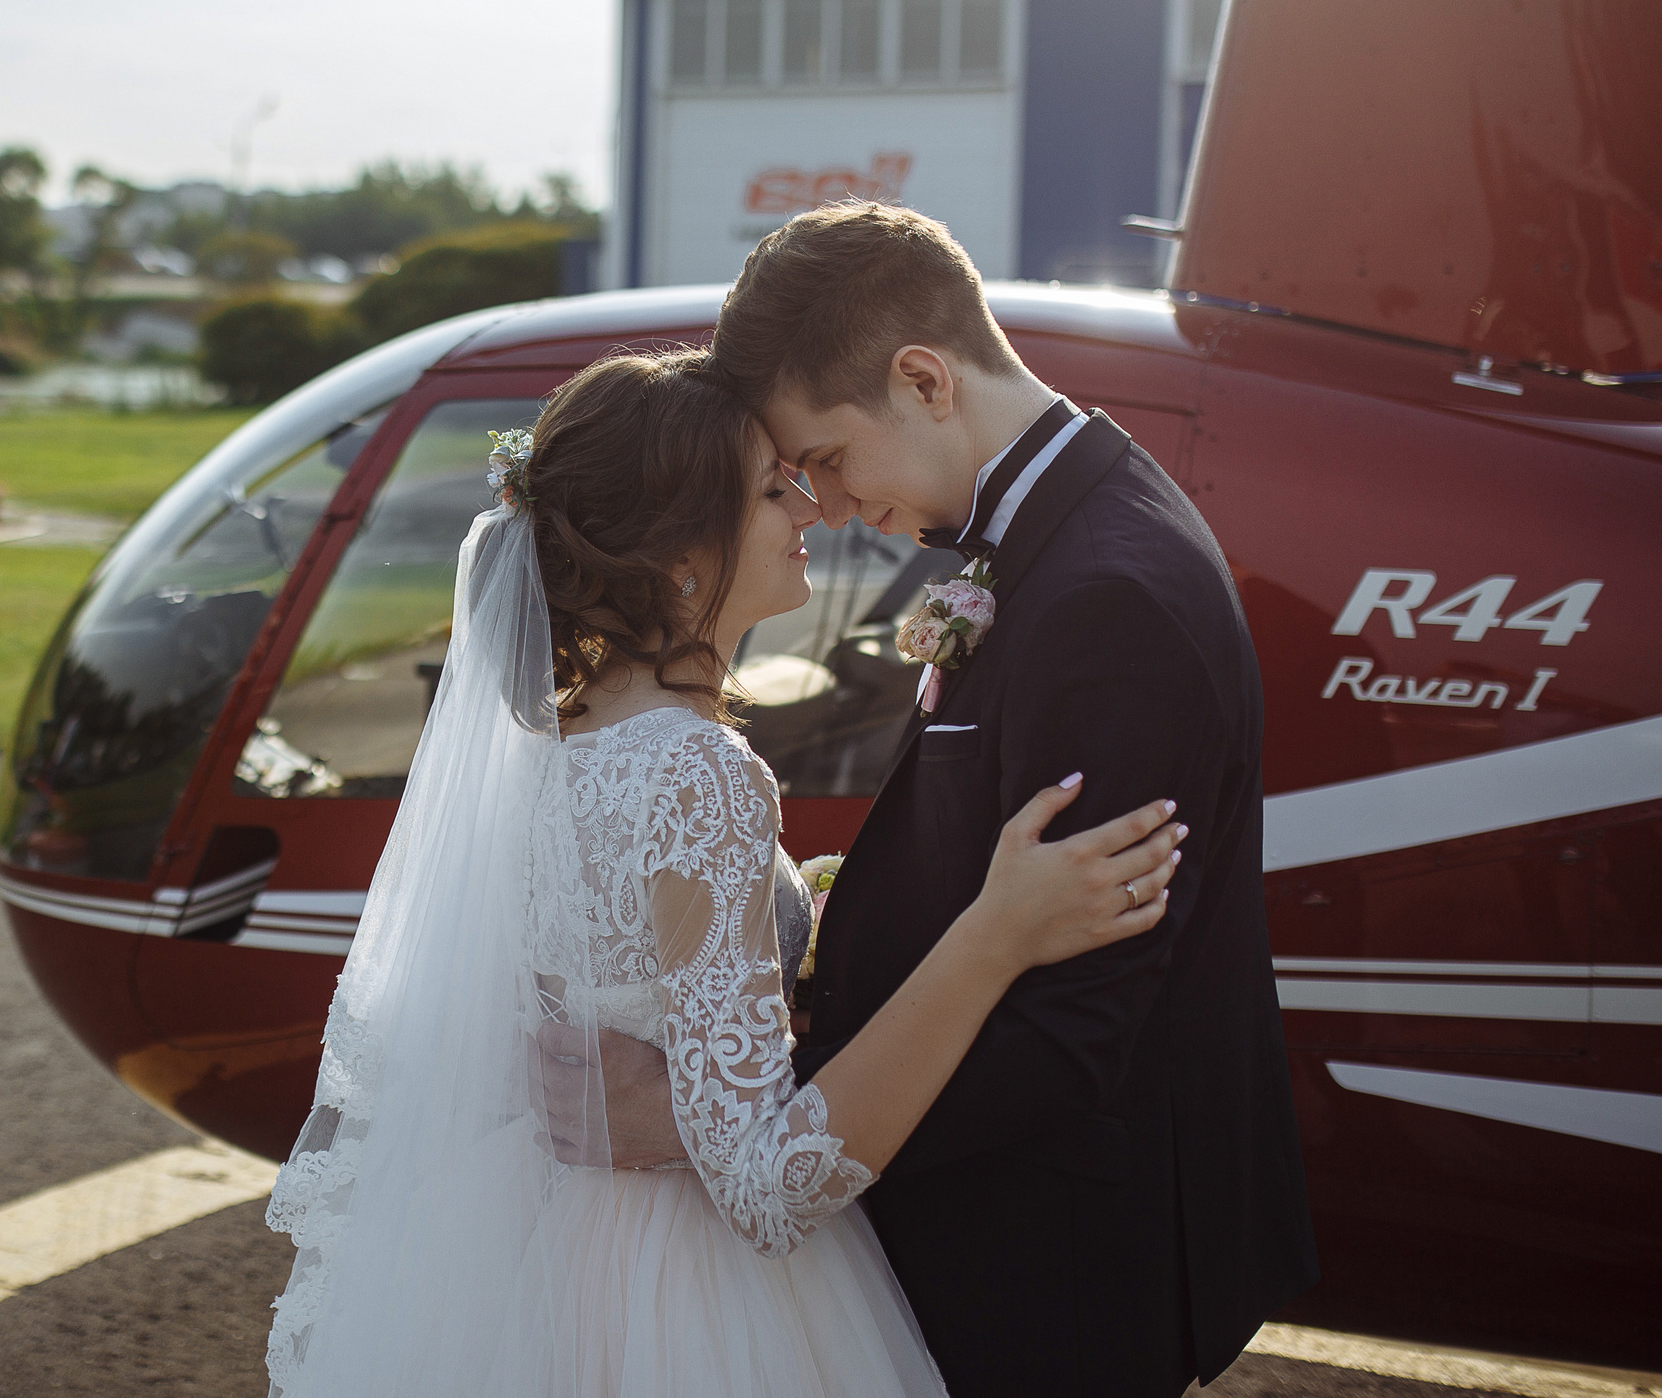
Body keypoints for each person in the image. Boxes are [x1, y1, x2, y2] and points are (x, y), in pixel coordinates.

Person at [263, 349, 1185, 1398]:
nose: (808, 503)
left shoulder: (540, 755)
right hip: (681, 1295)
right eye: (767, 487)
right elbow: (767, 1188)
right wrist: (994, 936)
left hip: (540, 1250)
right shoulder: (695, 774)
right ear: (680, 562)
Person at [543, 203, 1317, 1398]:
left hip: (1049, 1253)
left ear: (922, 378)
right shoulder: (1060, 537)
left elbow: (1072, 1028)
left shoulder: (1109, 594)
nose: (831, 509)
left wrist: (743, 1125)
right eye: (791, 484)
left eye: (828, 462)